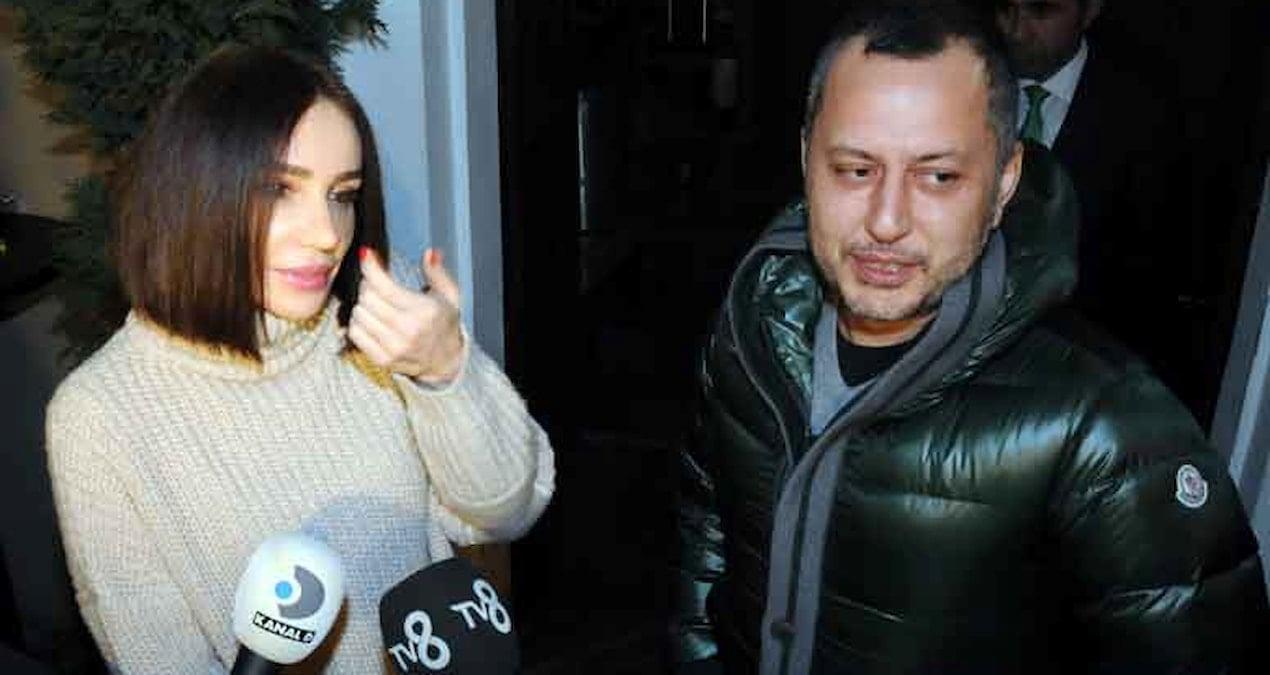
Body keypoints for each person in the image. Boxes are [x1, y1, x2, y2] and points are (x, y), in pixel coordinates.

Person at [675, 2, 1268, 673]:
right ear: (806, 155)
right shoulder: (754, 319)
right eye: (855, 168)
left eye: (939, 176)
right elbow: (709, 522)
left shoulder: (1102, 425)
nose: (887, 220)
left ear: (1004, 181)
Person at [44, 46, 554, 673]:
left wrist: (446, 373)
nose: (327, 233)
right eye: (280, 189)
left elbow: (506, 511)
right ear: (194, 191)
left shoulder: (381, 313)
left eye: (343, 194)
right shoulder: (99, 416)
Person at [994, 0, 1192, 408]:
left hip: (1079, 375)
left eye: (1041, 11)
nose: (1016, 28)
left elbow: (1149, 272)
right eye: (1006, 8)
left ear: (1090, 11)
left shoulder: (1144, 114)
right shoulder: (968, 80)